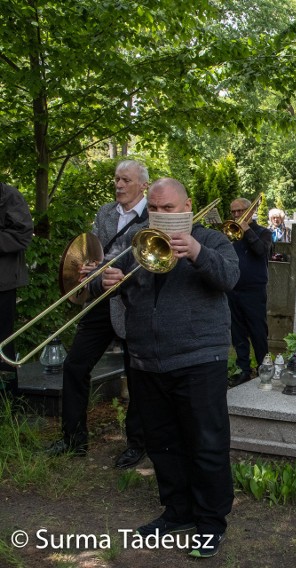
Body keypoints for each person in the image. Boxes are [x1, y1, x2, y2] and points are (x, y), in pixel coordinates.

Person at [97, 178, 239, 558]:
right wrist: (107, 282)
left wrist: (195, 251)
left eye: (169, 209)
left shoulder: (211, 240)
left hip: (198, 358)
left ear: (188, 206)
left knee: (206, 444)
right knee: (162, 443)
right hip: (147, 360)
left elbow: (229, 278)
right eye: (155, 209)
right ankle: (177, 511)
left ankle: (210, 522)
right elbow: (114, 285)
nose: (160, 216)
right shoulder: (139, 243)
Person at [46, 160, 148, 469]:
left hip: (134, 304)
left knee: (138, 375)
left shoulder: (153, 215)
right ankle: (74, 439)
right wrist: (88, 268)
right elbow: (92, 249)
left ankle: (137, 444)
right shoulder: (105, 213)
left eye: (125, 179)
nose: (118, 184)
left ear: (142, 184)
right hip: (102, 302)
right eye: (116, 178)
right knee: (75, 366)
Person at [227, 197, 272, 386]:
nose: (236, 215)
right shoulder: (230, 232)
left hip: (253, 289)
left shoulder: (264, 232)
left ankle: (265, 368)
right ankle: (243, 369)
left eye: (240, 211)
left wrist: (246, 230)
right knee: (237, 333)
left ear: (250, 211)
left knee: (257, 331)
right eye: (233, 212)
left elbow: (262, 252)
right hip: (233, 287)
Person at [0, 183, 33, 397]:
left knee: (2, 343)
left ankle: (7, 402)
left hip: (2, 283)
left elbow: (23, 235)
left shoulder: (9, 195)